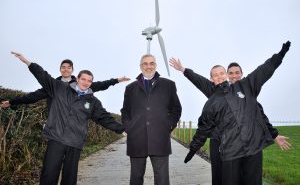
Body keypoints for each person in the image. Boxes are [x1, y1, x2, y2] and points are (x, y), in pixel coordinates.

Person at [182, 41, 291, 185]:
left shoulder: (246, 87)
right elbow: (204, 127)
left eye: (222, 73)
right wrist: (193, 149)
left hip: (252, 147)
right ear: (211, 79)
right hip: (229, 149)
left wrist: (280, 55)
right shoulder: (212, 99)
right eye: (216, 75)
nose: (220, 77)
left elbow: (263, 71)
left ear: (226, 75)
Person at [10, 51, 125, 185]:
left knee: (69, 179)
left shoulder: (93, 101)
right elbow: (42, 75)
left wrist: (121, 129)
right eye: (83, 79)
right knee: (49, 174)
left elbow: (104, 118)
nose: (86, 82)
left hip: (75, 142)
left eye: (89, 81)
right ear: (77, 79)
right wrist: (27, 62)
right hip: (56, 138)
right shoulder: (59, 88)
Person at [121, 54, 182, 185]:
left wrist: (168, 126)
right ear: (140, 66)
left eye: (151, 63)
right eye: (145, 64)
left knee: (162, 179)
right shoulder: (130, 88)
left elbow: (176, 109)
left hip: (160, 139)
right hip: (136, 139)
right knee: (136, 178)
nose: (148, 66)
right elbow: (125, 111)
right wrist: (128, 128)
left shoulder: (169, 85)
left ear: (156, 65)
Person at [0, 59, 130, 109]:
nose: (66, 69)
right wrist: (11, 102)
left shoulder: (80, 84)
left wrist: (117, 80)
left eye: (69, 67)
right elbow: (32, 97)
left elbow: (100, 85)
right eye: (63, 67)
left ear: (72, 70)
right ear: (60, 69)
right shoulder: (53, 86)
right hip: (56, 124)